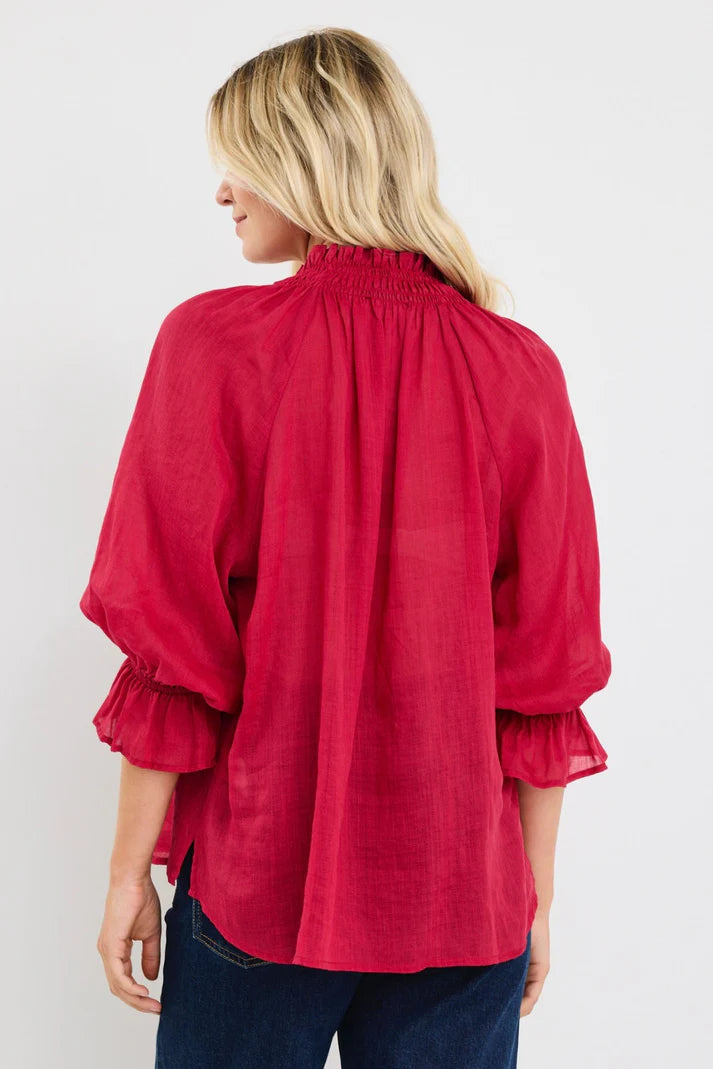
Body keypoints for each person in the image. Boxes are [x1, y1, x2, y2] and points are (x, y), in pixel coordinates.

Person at [80, 26, 612, 1069]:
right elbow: (544, 666)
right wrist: (532, 897)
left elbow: (172, 642)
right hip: (466, 901)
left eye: (239, 160)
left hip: (260, 883)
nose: (222, 191)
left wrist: (125, 873)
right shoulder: (518, 368)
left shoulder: (214, 348)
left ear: (303, 162)